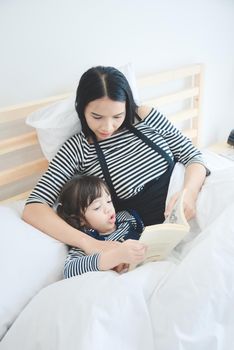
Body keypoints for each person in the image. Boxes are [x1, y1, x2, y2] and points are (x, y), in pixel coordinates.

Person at [22, 65, 208, 262]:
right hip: (158, 236)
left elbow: (193, 156)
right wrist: (89, 243)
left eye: (117, 116)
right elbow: (34, 208)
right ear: (81, 108)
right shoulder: (77, 149)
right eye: (97, 117)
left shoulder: (144, 115)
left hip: (197, 200)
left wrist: (189, 193)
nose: (108, 126)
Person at [57, 175, 146, 277]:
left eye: (108, 201)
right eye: (97, 207)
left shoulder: (127, 218)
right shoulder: (87, 241)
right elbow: (69, 270)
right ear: (80, 219)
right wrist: (116, 256)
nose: (108, 209)